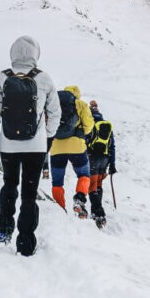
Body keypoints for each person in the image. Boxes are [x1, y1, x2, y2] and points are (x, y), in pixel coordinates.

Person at [0, 36, 60, 256]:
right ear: (36, 54)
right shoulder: (44, 79)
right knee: (29, 193)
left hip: (8, 145)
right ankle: (25, 243)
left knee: (9, 186)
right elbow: (55, 113)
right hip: (36, 147)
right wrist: (48, 138)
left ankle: (4, 231)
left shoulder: (2, 77)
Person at [48, 86, 95, 219]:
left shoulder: (54, 103)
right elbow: (89, 125)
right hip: (76, 146)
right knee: (84, 174)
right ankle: (80, 198)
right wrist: (80, 133)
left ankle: (59, 208)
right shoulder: (80, 104)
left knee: (57, 182)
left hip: (56, 147)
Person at [86, 100, 117, 228]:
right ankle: (96, 212)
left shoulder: (90, 123)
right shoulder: (106, 125)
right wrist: (112, 164)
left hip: (92, 157)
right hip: (105, 159)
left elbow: (86, 141)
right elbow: (112, 146)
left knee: (91, 186)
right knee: (98, 185)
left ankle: (99, 214)